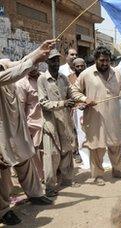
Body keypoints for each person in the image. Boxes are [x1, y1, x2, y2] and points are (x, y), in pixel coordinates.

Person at [0, 39, 55, 226]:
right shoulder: (6, 74)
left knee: (25, 162)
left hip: (15, 128)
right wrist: (34, 60)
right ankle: (4, 210)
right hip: (1, 133)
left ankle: (35, 194)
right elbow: (13, 74)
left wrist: (39, 50)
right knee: (3, 172)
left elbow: (20, 62)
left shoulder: (3, 63)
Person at [71, 46, 121, 186]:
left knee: (115, 144)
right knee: (97, 147)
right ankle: (98, 175)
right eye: (102, 60)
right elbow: (74, 90)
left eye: (107, 60)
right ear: (95, 59)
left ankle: (117, 170)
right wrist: (85, 99)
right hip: (95, 116)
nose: (105, 63)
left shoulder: (116, 73)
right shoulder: (86, 74)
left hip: (113, 116)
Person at [37, 49, 78, 197]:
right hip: (51, 122)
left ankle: (67, 180)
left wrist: (78, 100)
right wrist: (63, 103)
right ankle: (49, 186)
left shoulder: (63, 78)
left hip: (65, 120)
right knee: (52, 155)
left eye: (57, 60)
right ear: (47, 62)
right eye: (52, 60)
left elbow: (71, 93)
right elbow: (43, 103)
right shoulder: (42, 79)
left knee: (67, 151)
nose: (55, 63)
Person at [16, 66, 44, 179]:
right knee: (36, 150)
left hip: (48, 119)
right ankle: (40, 176)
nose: (33, 68)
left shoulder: (44, 78)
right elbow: (21, 107)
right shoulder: (21, 83)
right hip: (33, 123)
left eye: (35, 65)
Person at [68, 58, 86, 165]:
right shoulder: (69, 78)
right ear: (73, 67)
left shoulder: (89, 75)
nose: (80, 68)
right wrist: (77, 104)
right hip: (75, 109)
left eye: (81, 66)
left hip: (88, 107)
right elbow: (70, 93)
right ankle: (77, 152)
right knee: (75, 131)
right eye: (77, 66)